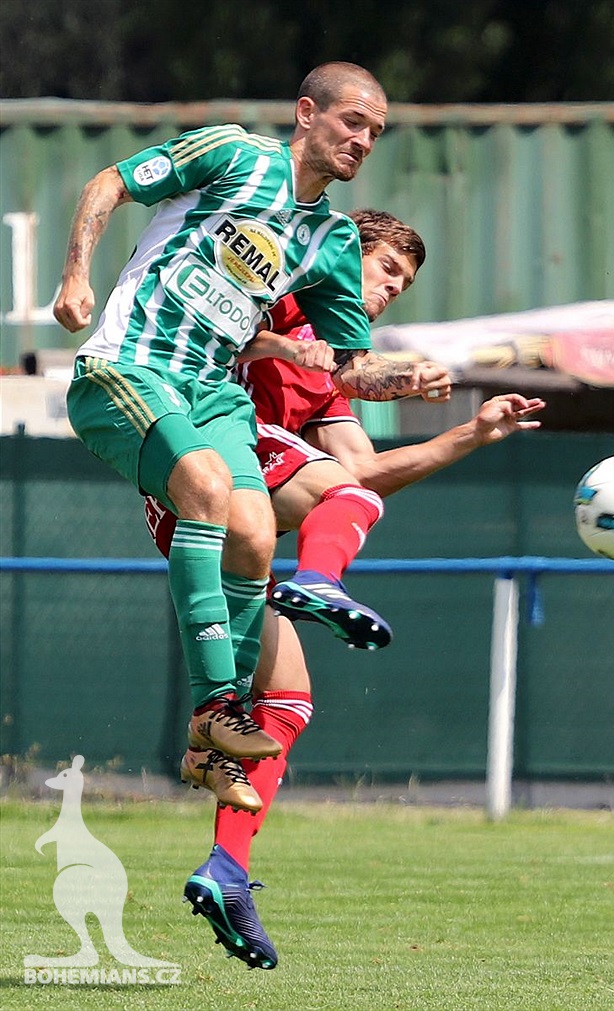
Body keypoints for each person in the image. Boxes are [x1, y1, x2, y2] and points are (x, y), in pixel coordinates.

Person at [146, 211, 546, 969]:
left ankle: (225, 870)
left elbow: (362, 465)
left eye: (404, 280)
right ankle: (319, 581)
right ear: (342, 256)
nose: (392, 287)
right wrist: (327, 356)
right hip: (205, 465)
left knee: (287, 702)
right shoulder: (286, 298)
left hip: (243, 516)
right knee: (348, 501)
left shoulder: (326, 383)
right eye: (386, 267)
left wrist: (474, 433)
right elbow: (231, 330)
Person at [52, 63, 394, 784]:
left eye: (375, 132)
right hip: (130, 367)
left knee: (255, 532)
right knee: (207, 487)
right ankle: (216, 705)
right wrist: (76, 275)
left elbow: (347, 366)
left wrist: (408, 383)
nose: (363, 140)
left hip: (215, 396)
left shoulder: (331, 239)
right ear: (307, 113)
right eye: (352, 122)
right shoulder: (235, 154)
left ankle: (209, 748)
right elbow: (107, 183)